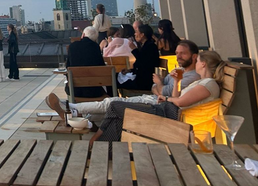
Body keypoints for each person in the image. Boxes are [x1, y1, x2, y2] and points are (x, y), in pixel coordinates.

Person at [46, 40, 201, 124]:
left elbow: (166, 93)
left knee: (111, 104)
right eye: (177, 53)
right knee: (111, 105)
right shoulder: (180, 74)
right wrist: (159, 87)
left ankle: (69, 107)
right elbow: (156, 87)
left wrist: (160, 86)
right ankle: (73, 115)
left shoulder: (190, 77)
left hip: (158, 106)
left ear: (195, 57)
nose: (179, 56)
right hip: (154, 100)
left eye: (183, 54)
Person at [92, 50, 225, 143]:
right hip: (165, 110)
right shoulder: (202, 82)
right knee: (118, 119)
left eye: (198, 61)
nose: (195, 64)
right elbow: (177, 98)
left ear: (203, 64)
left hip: (166, 114)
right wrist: (177, 81)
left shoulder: (209, 84)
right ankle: (104, 150)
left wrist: (166, 98)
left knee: (114, 106)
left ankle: (95, 140)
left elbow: (180, 102)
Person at [65, 26, 106, 98]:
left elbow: (67, 66)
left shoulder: (72, 46)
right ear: (95, 38)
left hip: (75, 90)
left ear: (83, 35)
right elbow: (101, 66)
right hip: (94, 91)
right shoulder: (96, 47)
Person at [118, 24, 160, 90]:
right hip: (141, 77)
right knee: (116, 77)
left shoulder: (150, 46)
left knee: (115, 82)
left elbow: (144, 62)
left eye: (136, 32)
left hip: (145, 81)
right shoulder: (145, 45)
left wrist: (134, 49)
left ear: (142, 34)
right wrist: (129, 70)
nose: (135, 34)